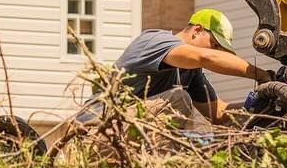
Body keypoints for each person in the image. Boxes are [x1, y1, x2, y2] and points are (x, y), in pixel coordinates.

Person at [115, 8, 274, 126]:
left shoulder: (190, 72)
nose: (215, 51)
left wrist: (255, 105)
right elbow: (206, 57)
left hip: (129, 129)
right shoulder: (155, 40)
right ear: (197, 30)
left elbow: (218, 113)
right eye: (214, 44)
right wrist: (261, 75)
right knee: (179, 98)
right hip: (104, 125)